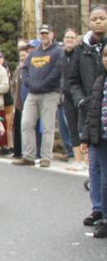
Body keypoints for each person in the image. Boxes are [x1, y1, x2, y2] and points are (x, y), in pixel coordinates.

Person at [69, 6, 107, 227]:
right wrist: (81, 101)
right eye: (95, 19)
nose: (99, 22)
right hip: (90, 111)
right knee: (94, 165)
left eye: (103, 18)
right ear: (89, 22)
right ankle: (97, 208)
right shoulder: (82, 49)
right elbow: (72, 80)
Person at [15, 25, 63, 167]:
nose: (44, 36)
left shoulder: (58, 52)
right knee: (26, 123)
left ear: (52, 34)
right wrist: (30, 84)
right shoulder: (34, 53)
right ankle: (28, 156)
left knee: (47, 127)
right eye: (41, 34)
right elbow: (25, 70)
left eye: (46, 33)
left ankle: (45, 157)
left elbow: (57, 71)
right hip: (33, 93)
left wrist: (43, 84)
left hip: (50, 93)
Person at [77, 47, 107, 238]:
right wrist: (86, 136)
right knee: (97, 174)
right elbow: (93, 111)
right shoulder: (100, 81)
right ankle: (101, 212)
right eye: (105, 56)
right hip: (100, 137)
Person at [57, 28, 81, 163]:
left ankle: (85, 159)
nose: (69, 40)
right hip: (66, 96)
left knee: (81, 128)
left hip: (79, 95)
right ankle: (77, 160)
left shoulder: (80, 55)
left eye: (72, 37)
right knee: (71, 127)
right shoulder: (62, 56)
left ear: (76, 40)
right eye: (67, 37)